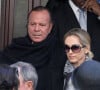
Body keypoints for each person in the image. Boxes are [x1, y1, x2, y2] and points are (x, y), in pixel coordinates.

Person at [0, 6, 66, 90]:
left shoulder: (61, 52)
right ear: (27, 25)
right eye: (32, 24)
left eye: (42, 25)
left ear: (50, 27)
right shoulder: (15, 49)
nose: (36, 29)